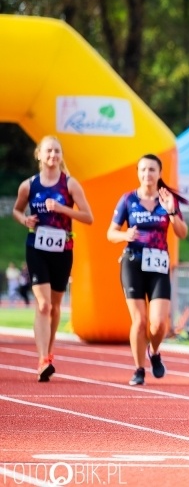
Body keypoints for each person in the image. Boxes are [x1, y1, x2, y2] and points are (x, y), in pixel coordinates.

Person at [11, 135, 94, 382]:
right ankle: (42, 360)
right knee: (44, 305)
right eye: (48, 151)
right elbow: (17, 209)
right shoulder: (29, 185)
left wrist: (62, 209)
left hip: (63, 248)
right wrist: (23, 219)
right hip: (36, 246)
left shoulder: (70, 185)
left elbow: (88, 217)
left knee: (56, 306)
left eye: (57, 151)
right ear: (39, 155)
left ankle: (48, 351)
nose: (53, 156)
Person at [107, 154, 189, 386]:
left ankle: (154, 351)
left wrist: (172, 212)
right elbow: (110, 233)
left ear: (159, 173)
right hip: (133, 263)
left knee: (159, 323)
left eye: (152, 169)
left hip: (158, 265)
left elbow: (182, 233)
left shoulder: (167, 200)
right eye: (143, 170)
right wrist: (125, 235)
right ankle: (138, 369)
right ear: (138, 173)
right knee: (140, 321)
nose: (147, 174)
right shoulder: (128, 200)